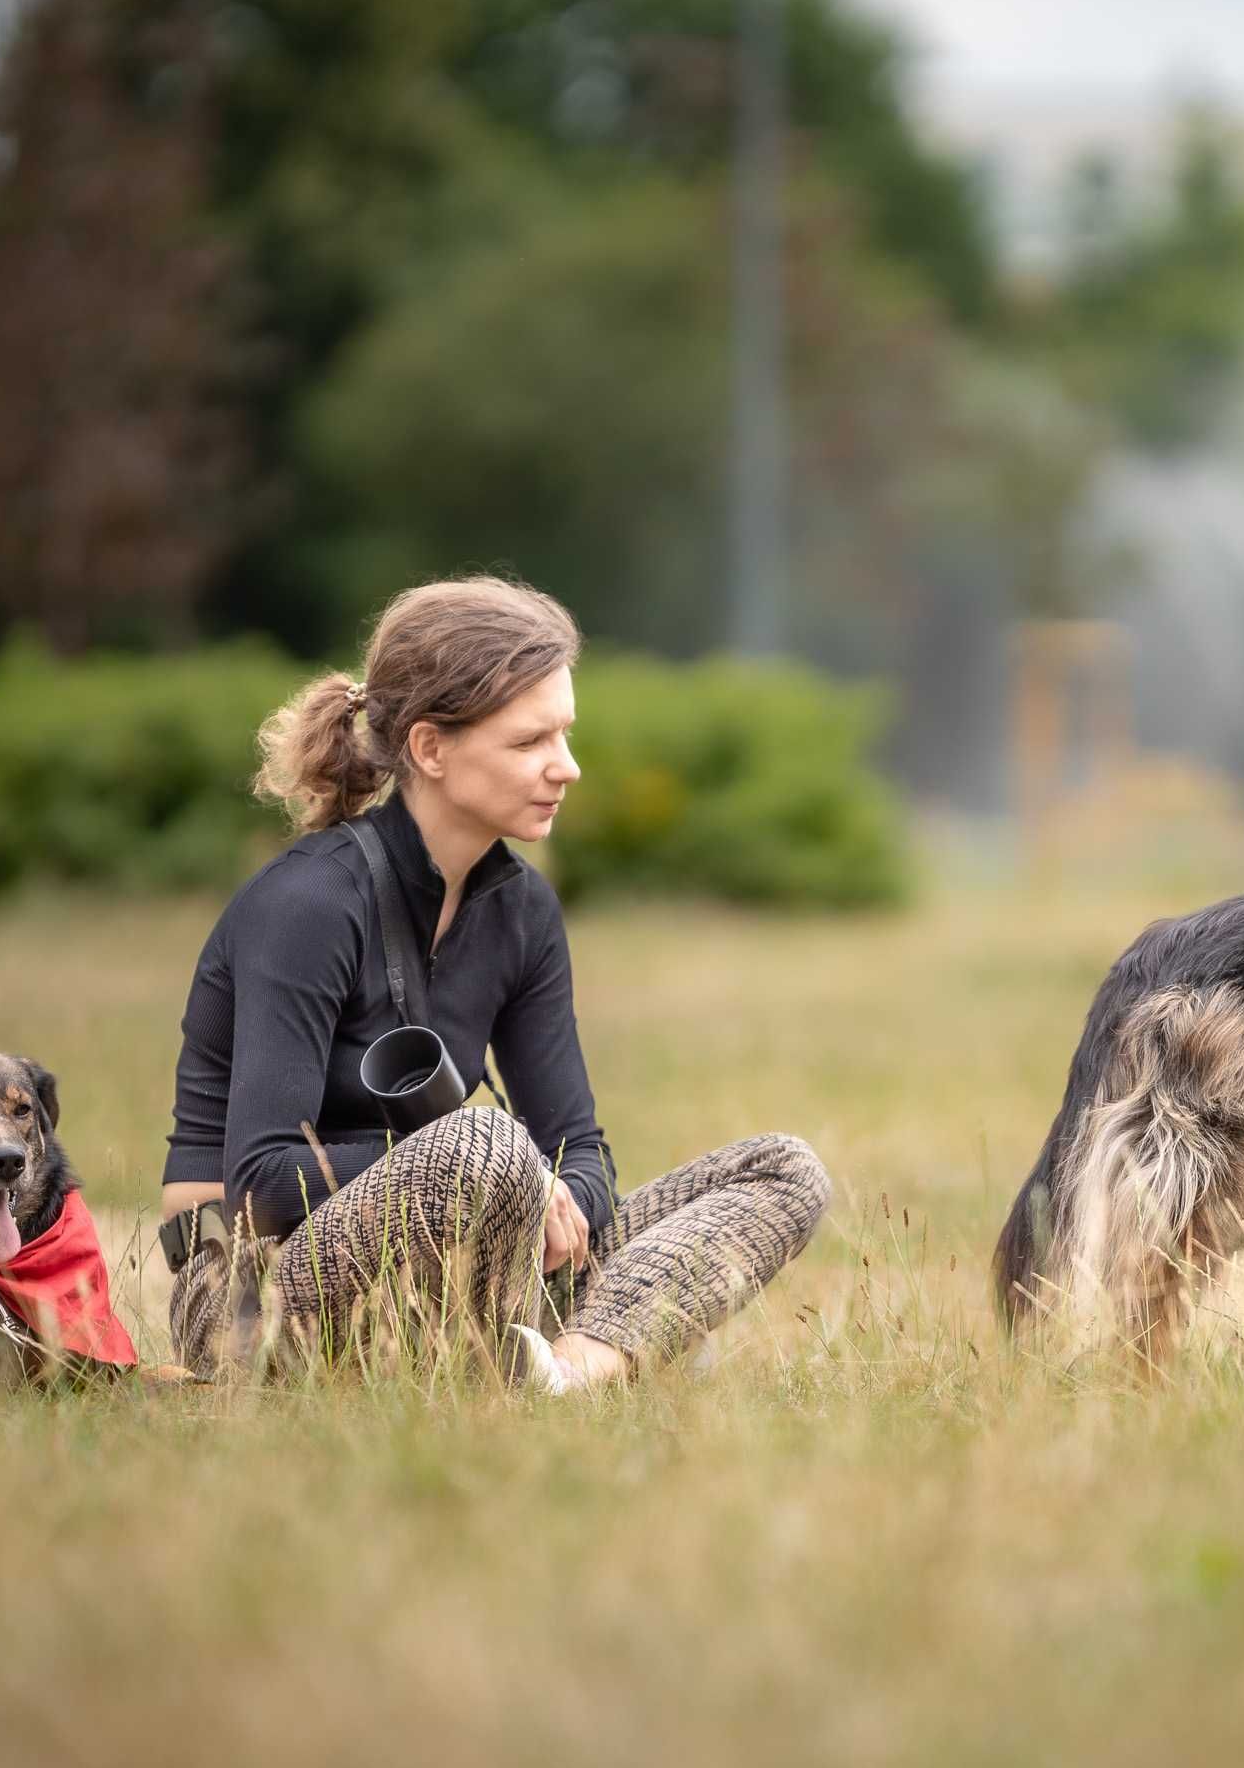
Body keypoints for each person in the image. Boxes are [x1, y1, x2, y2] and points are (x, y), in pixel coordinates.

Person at [158, 577, 830, 1391]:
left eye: (566, 735)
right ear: (431, 748)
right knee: (489, 1141)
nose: (567, 768)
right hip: (252, 1295)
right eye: (529, 743)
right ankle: (622, 1333)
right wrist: (492, 1168)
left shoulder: (523, 909)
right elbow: (261, 1180)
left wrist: (552, 1188)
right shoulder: (309, 902)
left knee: (785, 1169)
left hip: (477, 1267)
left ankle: (572, 1368)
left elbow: (580, 1148)